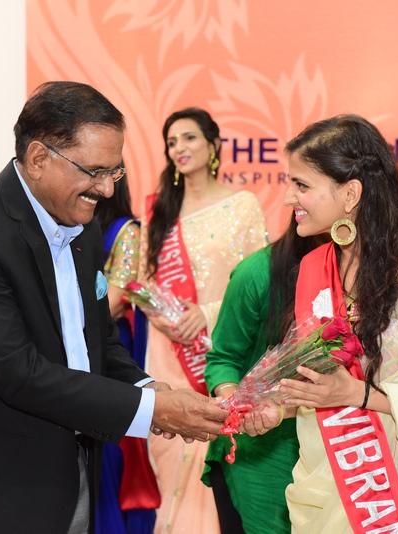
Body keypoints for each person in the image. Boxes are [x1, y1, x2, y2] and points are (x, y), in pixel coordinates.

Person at [0, 82, 227, 534]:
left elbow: (97, 340)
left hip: (68, 473)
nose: (106, 188)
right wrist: (152, 410)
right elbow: (18, 372)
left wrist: (151, 388)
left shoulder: (81, 222)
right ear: (38, 158)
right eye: (94, 171)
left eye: (114, 172)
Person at [243, 115, 398, 533]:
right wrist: (278, 406)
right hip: (328, 481)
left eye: (302, 185)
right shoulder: (314, 267)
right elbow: (320, 382)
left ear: (351, 193)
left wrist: (358, 394)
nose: (287, 198)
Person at [138, 107, 268, 534]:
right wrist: (166, 318)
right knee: (173, 451)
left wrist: (206, 314)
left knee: (220, 458)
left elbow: (259, 283)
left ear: (213, 145)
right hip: (170, 354)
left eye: (189, 138)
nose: (180, 148)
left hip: (222, 349)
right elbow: (143, 282)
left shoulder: (243, 206)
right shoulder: (160, 212)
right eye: (172, 142)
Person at [202, 215, 325, 533]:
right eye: (299, 190)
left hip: (335, 444)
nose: (293, 197)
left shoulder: (360, 273)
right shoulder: (257, 273)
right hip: (262, 449)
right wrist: (239, 408)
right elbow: (223, 359)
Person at [93, 179, 158, 534]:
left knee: (111, 444)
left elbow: (116, 302)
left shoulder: (125, 230)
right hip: (79, 348)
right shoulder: (71, 227)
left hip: (109, 347)